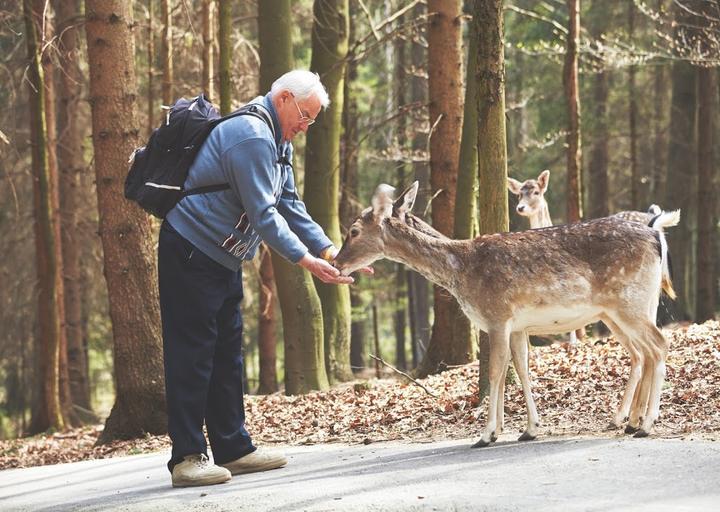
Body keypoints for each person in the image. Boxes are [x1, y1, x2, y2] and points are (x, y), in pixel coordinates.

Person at [159, 70, 354, 488]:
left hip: (222, 257)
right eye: (304, 115)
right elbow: (265, 213)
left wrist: (328, 250)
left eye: (312, 120)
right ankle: (187, 457)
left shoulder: (278, 139)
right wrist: (304, 260)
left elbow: (289, 201)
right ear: (283, 98)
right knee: (192, 354)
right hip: (191, 250)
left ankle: (233, 447)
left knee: (228, 353)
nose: (305, 126)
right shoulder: (251, 136)